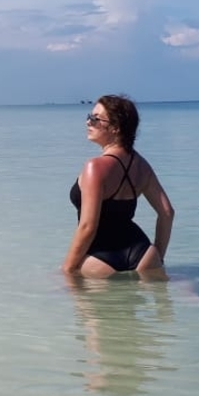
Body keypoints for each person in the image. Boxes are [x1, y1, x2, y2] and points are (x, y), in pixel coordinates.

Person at [63, 95, 174, 279]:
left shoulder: (95, 167)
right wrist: (157, 259)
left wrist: (66, 271)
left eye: (96, 119)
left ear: (115, 128)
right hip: (143, 253)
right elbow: (167, 213)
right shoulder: (141, 165)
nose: (88, 122)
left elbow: (88, 226)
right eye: (90, 116)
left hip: (100, 258)